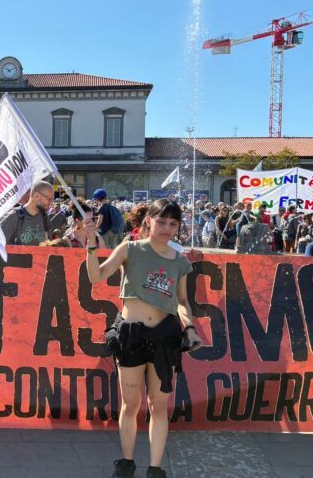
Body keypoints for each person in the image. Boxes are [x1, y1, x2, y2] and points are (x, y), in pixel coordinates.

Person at [85, 199, 202, 478]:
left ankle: (155, 468)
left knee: (158, 407)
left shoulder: (180, 261)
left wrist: (190, 327)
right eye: (161, 221)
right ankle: (126, 463)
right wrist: (90, 245)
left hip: (165, 338)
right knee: (130, 404)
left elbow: (182, 301)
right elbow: (96, 276)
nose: (166, 228)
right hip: (131, 335)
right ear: (148, 220)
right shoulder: (131, 249)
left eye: (173, 224)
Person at [0, 181, 53, 246]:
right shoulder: (13, 217)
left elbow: (48, 246)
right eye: (49, 199)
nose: (51, 202)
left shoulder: (44, 217)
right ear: (37, 196)